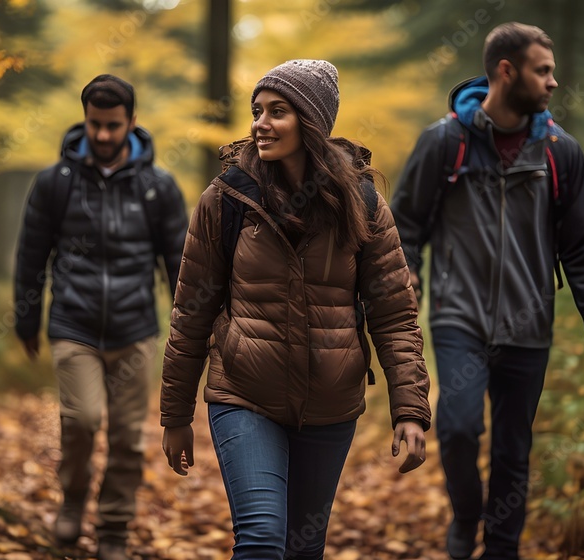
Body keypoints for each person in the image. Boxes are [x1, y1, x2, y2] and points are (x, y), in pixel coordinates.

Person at [159, 59, 432, 559]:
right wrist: (175, 413)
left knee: (302, 549)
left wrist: (410, 406)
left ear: (311, 122)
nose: (260, 123)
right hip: (244, 394)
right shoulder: (226, 201)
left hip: (330, 405)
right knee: (262, 537)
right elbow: (190, 312)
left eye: (277, 111)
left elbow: (394, 314)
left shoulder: (363, 203)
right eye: (257, 111)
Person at [390, 23, 584, 560]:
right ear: (506, 72)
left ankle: (502, 548)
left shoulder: (561, 152)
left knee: (514, 449)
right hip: (458, 317)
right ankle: (467, 513)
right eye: (543, 70)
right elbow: (405, 229)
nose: (553, 82)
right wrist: (408, 286)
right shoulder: (443, 143)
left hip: (528, 323)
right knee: (459, 427)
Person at [13, 74, 188, 559]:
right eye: (95, 124)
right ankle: (72, 501)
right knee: (84, 420)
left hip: (135, 330)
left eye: (113, 125)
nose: (104, 135)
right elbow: (31, 256)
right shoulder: (55, 183)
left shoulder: (158, 187)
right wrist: (25, 321)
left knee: (129, 439)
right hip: (74, 325)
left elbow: (179, 264)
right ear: (84, 119)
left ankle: (113, 526)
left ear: (132, 122)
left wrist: (189, 329)